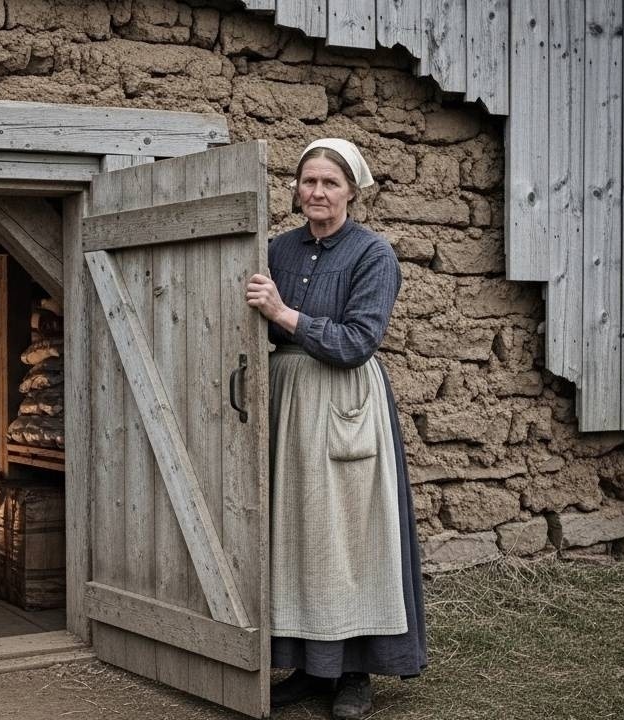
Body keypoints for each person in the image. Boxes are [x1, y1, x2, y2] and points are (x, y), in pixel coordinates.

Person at [244, 138, 427, 720]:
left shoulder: (374, 255)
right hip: (289, 406)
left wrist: (283, 315)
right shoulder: (277, 249)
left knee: (349, 539)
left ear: (352, 190)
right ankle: (307, 666)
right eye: (308, 181)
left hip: (345, 402)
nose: (317, 192)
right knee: (299, 536)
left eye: (329, 183)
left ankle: (354, 675)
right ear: (296, 188)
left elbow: (356, 341)